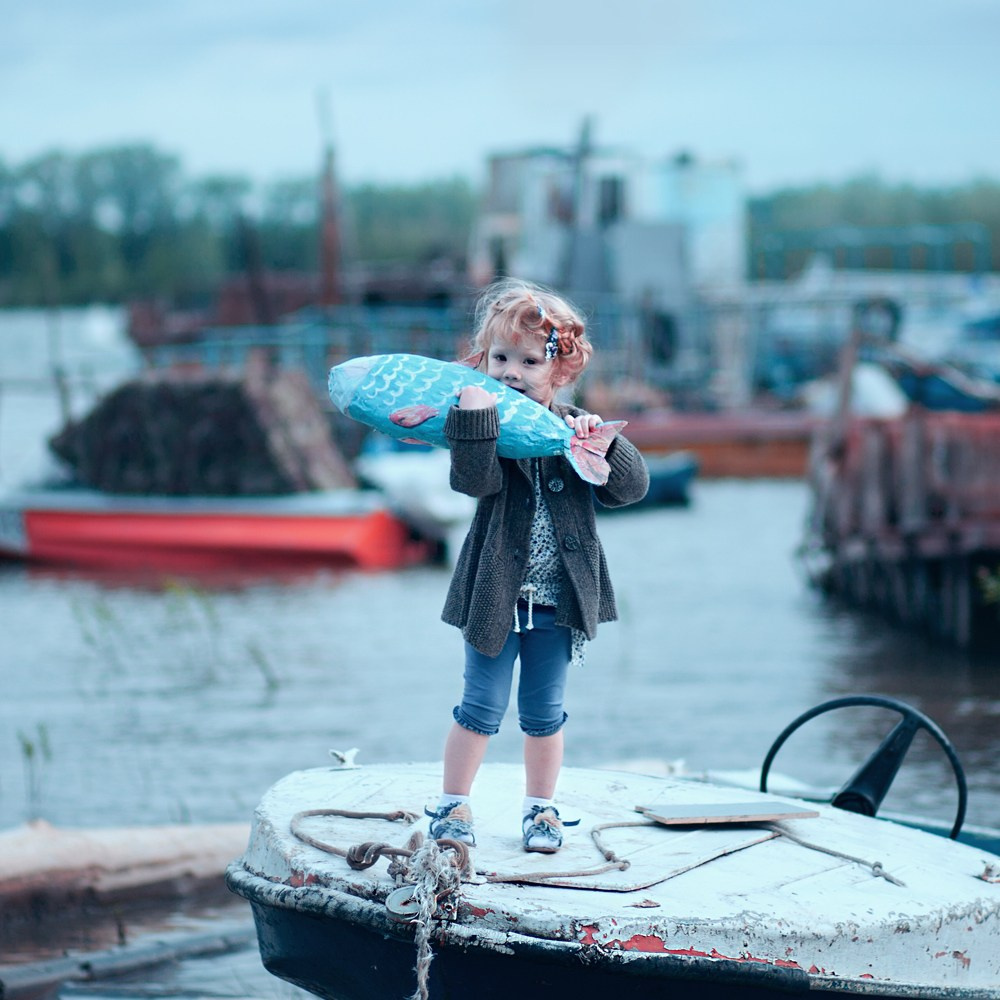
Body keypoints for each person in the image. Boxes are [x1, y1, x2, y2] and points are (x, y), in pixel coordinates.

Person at [426, 279, 649, 853]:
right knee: (480, 704)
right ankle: (452, 805)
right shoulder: (485, 427)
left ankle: (541, 810)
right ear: (483, 362)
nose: (512, 373)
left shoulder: (572, 429)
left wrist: (601, 441)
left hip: (558, 601)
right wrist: (474, 423)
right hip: (496, 595)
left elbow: (630, 489)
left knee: (544, 712)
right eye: (500, 358)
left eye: (529, 361)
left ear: (562, 371)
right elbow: (471, 482)